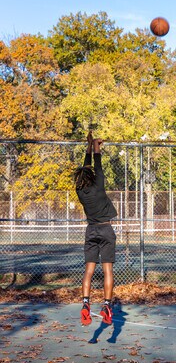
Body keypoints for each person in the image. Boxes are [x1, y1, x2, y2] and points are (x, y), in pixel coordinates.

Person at [74, 131, 118, 326]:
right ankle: (107, 306)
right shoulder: (99, 184)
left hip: (90, 230)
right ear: (92, 175)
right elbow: (97, 163)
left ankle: (85, 304)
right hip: (105, 230)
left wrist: (89, 146)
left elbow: (88, 166)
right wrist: (96, 146)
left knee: (88, 271)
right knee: (108, 270)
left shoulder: (79, 191)